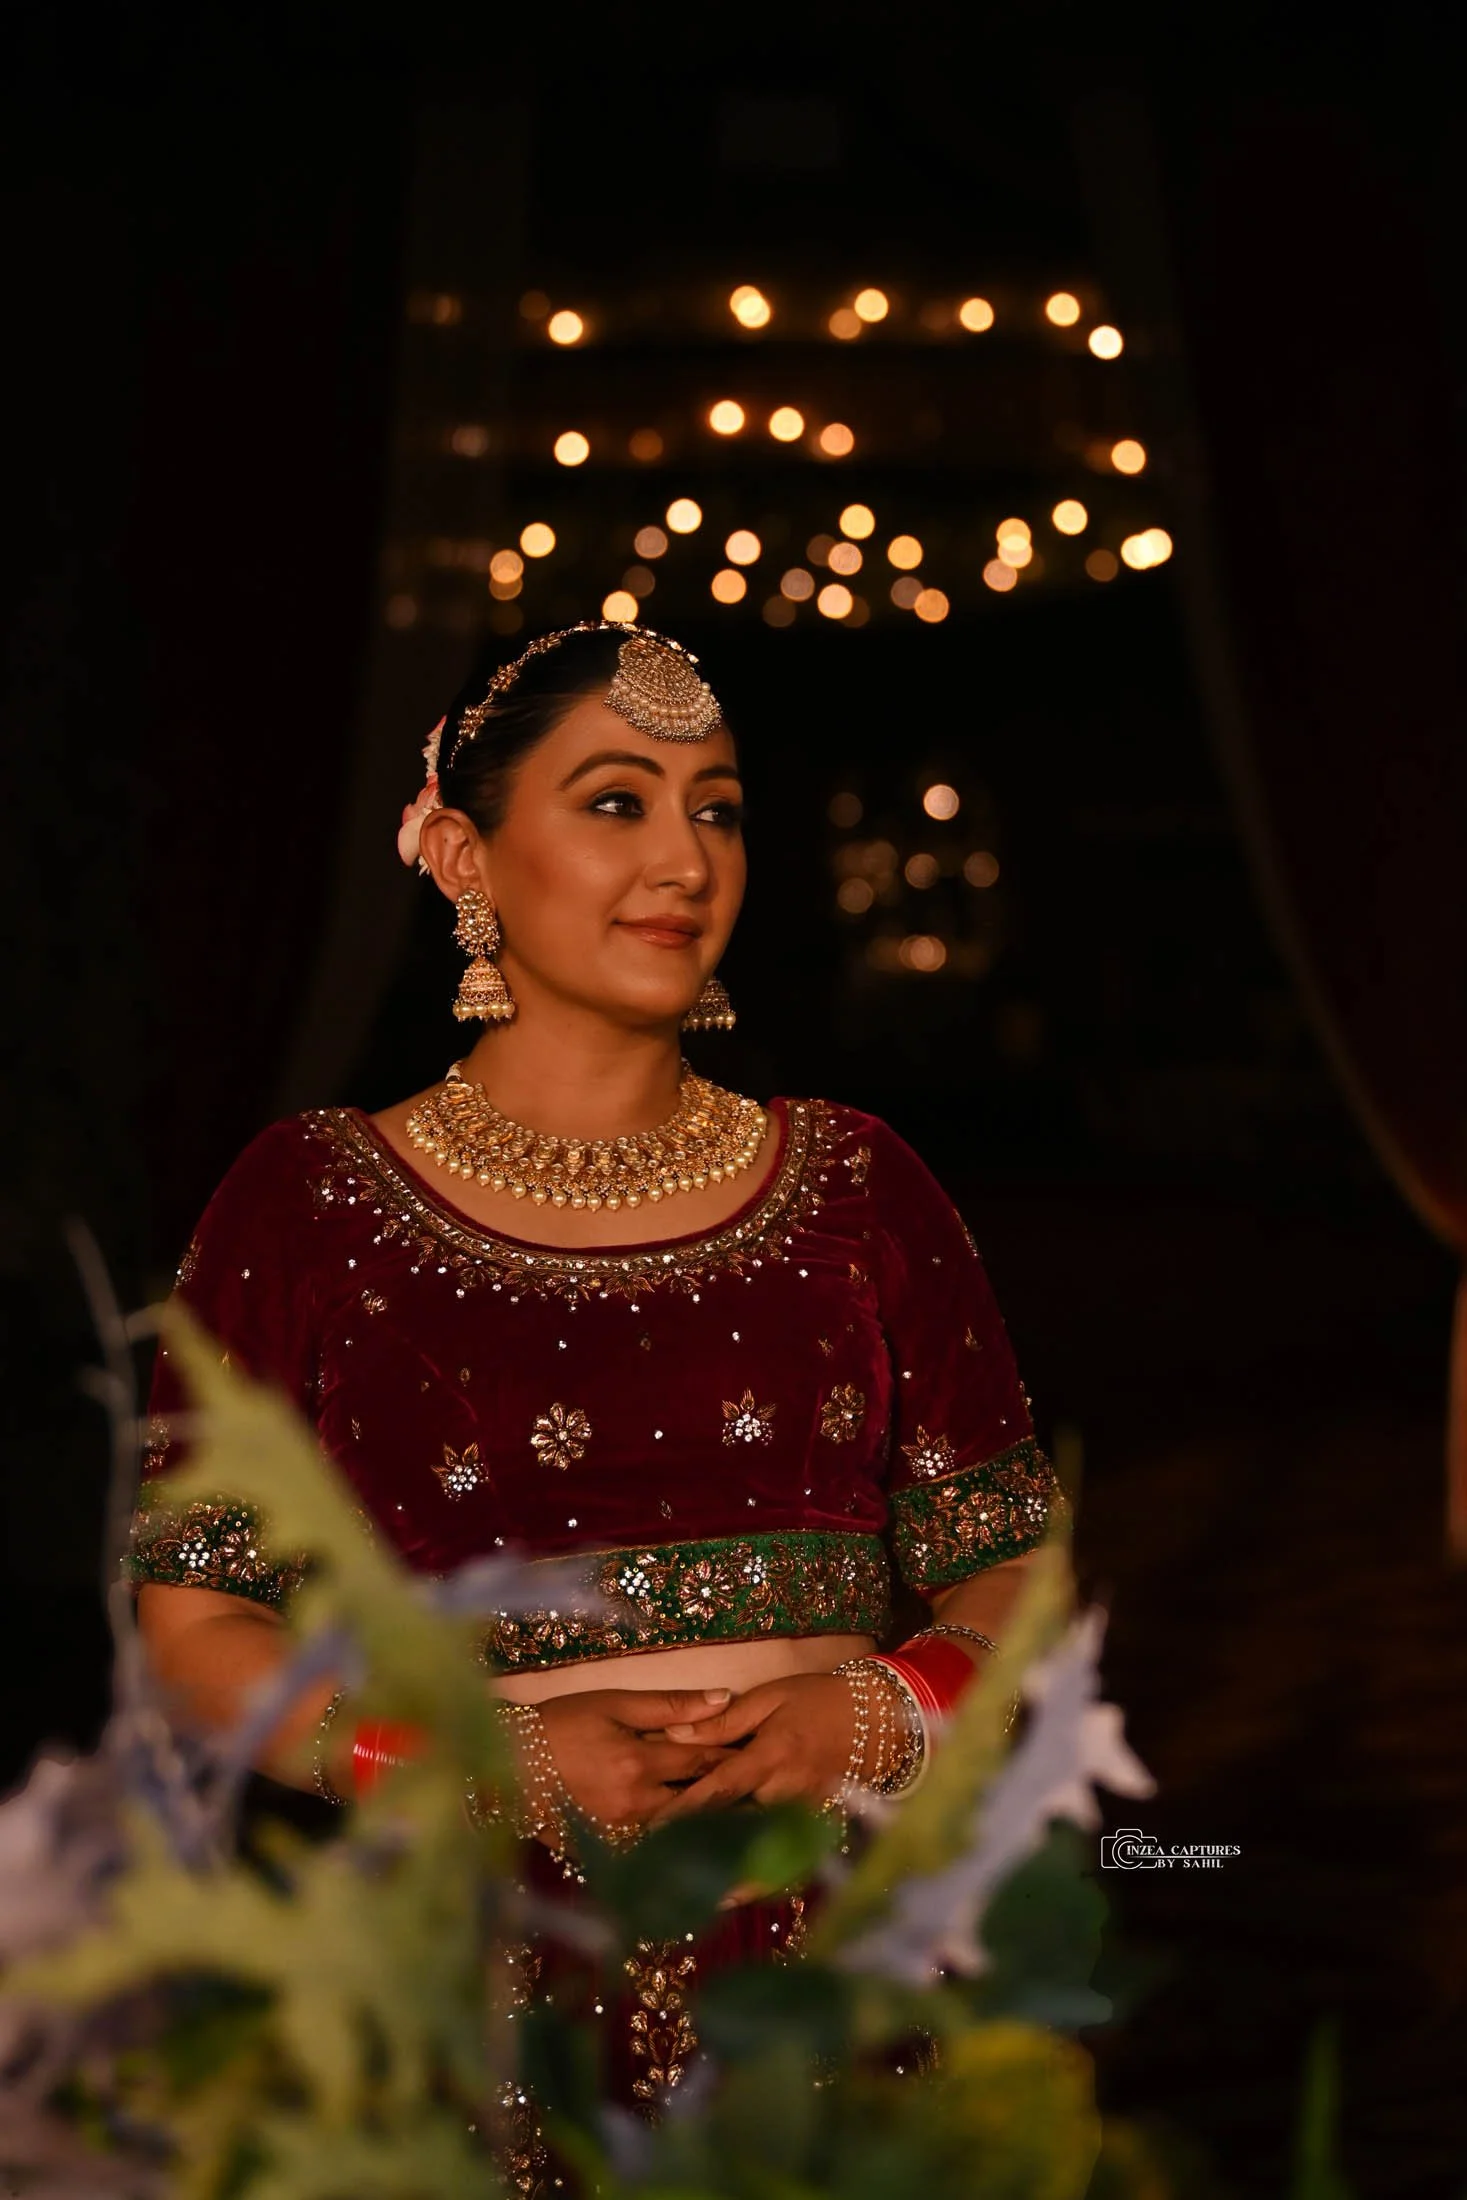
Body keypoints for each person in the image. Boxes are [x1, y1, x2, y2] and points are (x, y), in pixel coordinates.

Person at [129, 620, 1066, 2157]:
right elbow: (195, 1629)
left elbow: (1010, 1568)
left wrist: (876, 1713)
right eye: (616, 801)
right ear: (459, 853)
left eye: (717, 805)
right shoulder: (309, 1207)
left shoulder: (859, 1187)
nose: (685, 859)